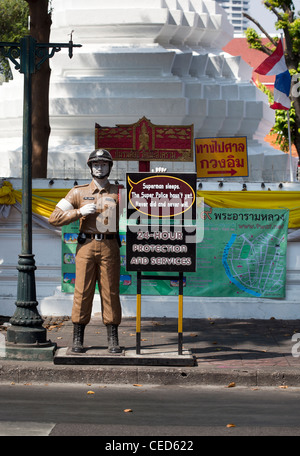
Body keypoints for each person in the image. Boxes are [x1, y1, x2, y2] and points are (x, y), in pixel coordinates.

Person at [49, 149, 122, 354]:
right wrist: (78, 212)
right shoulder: (77, 192)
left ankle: (113, 338)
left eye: (104, 164)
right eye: (96, 164)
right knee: (82, 291)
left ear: (110, 167)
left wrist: (149, 178)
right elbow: (54, 217)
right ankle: (78, 338)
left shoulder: (120, 192)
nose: (100, 167)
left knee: (110, 291)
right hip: (86, 246)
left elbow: (141, 207)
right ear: (90, 167)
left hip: (110, 246)